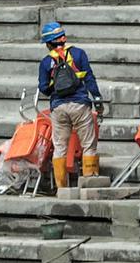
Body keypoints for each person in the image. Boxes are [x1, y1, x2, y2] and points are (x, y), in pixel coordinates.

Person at [36, 21, 102, 188]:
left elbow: (43, 88)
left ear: (48, 43)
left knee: (60, 148)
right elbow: (89, 79)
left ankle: (62, 189)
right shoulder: (79, 54)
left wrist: (56, 88)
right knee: (88, 145)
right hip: (80, 105)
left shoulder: (46, 62)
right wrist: (97, 99)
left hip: (58, 108)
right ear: (63, 38)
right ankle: (90, 183)